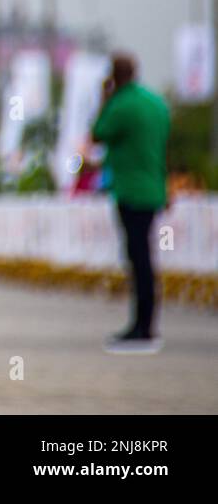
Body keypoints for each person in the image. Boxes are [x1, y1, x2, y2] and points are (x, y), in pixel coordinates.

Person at [90, 53, 171, 354]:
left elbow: (97, 133)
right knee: (145, 257)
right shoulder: (156, 103)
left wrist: (105, 97)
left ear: (114, 75)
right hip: (153, 188)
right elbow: (162, 147)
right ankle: (145, 323)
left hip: (131, 191)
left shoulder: (122, 104)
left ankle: (142, 327)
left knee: (138, 258)